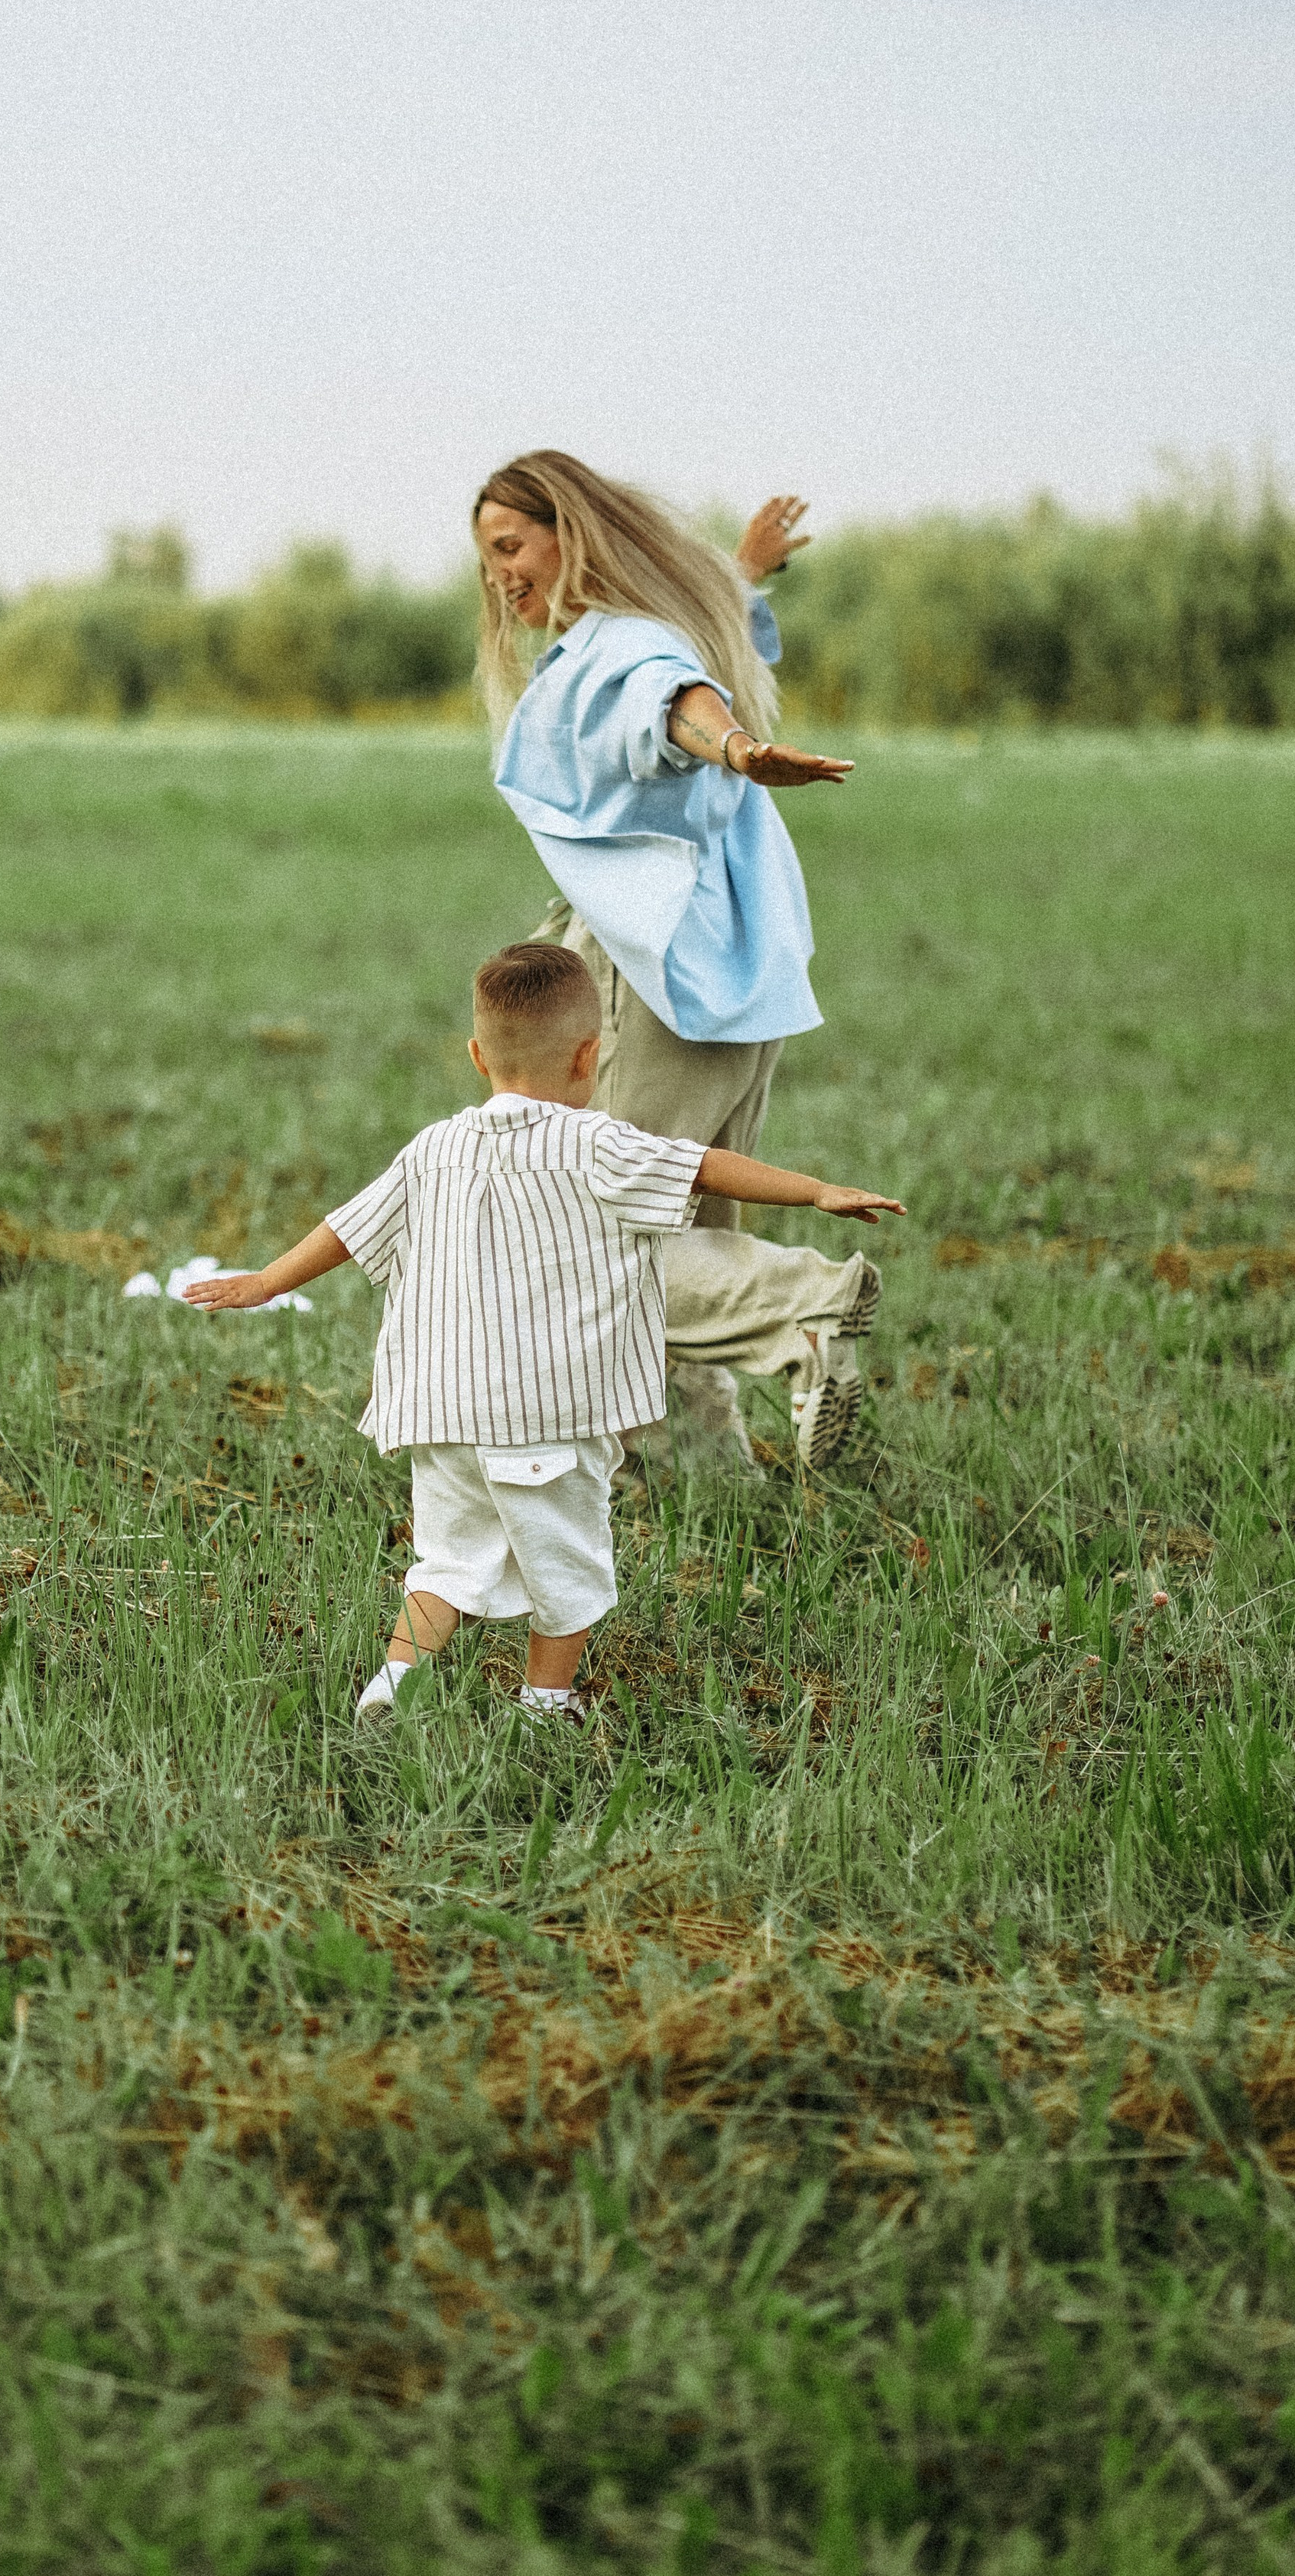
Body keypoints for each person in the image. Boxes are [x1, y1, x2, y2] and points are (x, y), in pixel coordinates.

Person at [187, 943, 903, 1727]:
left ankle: (395, 1683)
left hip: (442, 1415)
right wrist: (817, 1192)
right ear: (590, 1055)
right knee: (570, 1566)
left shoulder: (432, 1148)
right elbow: (704, 1168)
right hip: (552, 1418)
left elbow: (345, 1231)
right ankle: (546, 1702)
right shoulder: (598, 1145)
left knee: (448, 1562)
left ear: (474, 1055)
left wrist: (263, 1282)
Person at [473, 450, 876, 1475]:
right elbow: (691, 652)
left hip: (649, 979)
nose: (500, 575)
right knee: (681, 1223)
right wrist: (742, 570)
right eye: (486, 558)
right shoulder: (660, 624)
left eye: (511, 545)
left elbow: (675, 703)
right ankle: (713, 1478)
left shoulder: (618, 651)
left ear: (571, 532)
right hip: (732, 971)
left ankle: (808, 1314)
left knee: (602, 1233)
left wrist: (735, 748)